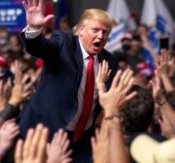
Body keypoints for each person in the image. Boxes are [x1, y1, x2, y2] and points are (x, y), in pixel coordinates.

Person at [18, 1, 117, 142]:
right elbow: (40, 48)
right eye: (95, 30)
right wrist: (34, 30)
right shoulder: (64, 42)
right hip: (44, 131)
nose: (100, 36)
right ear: (80, 30)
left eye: (105, 32)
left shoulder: (110, 61)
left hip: (83, 138)